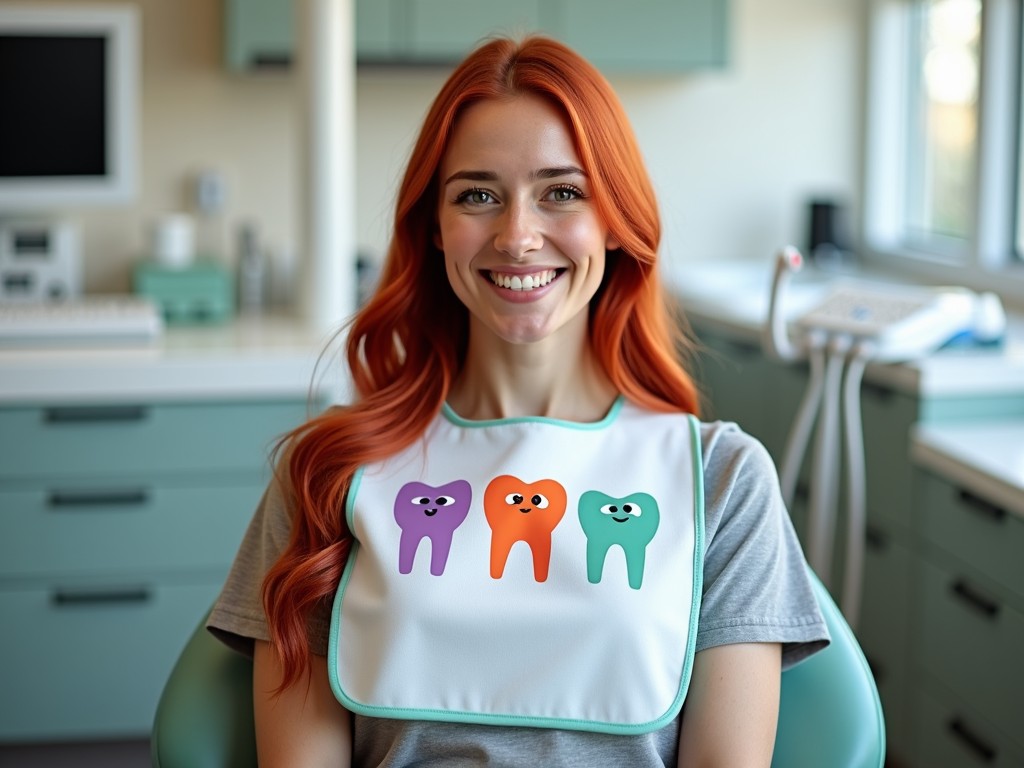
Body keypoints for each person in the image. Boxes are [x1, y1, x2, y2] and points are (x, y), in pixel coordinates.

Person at [208, 35, 829, 767]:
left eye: (561, 193)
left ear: (615, 221)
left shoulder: (722, 481)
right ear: (434, 230)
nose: (518, 235)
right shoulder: (328, 476)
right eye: (477, 195)